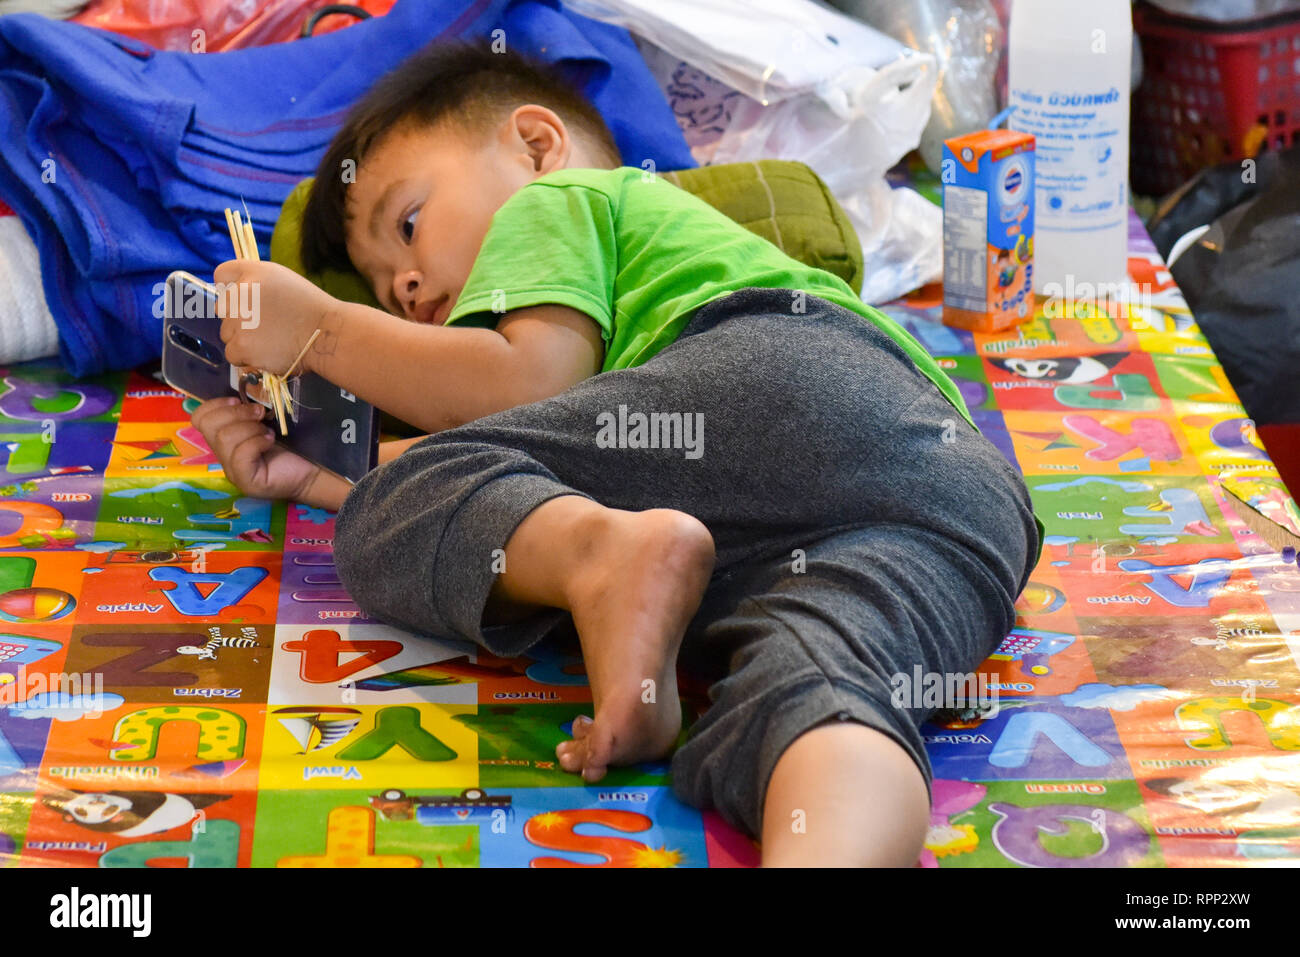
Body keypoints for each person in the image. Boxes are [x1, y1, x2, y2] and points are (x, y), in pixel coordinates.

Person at [191, 41, 1041, 866]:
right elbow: (516, 442)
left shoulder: (556, 201)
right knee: (826, 694)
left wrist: (321, 329)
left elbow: (525, 387)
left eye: (408, 225)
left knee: (398, 509)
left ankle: (602, 554)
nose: (407, 290)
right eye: (384, 293)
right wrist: (310, 470)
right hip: (961, 502)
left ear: (533, 146)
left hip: (770, 371)